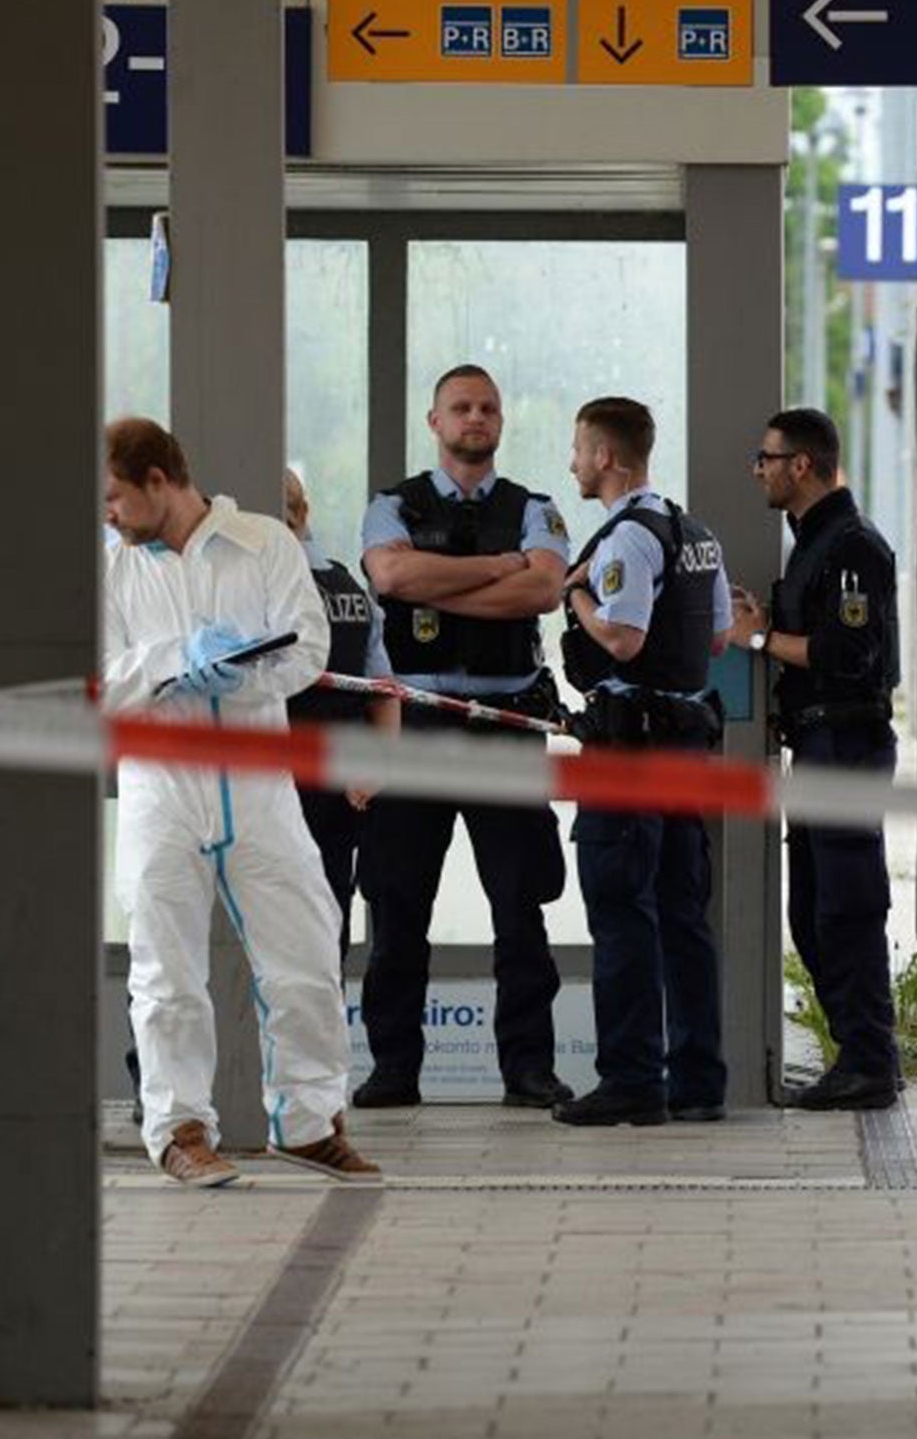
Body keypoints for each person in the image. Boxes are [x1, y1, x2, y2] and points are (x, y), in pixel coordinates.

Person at [102, 418, 380, 1188]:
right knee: (165, 970)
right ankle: (180, 1129)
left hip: (259, 781)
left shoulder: (265, 544)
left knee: (305, 954)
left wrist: (239, 674)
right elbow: (100, 679)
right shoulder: (111, 571)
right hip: (161, 785)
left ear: (160, 481)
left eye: (116, 498)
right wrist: (172, 665)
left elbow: (309, 651)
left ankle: (309, 1123)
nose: (109, 515)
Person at [354, 364, 573, 1110]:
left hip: (503, 726)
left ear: (500, 423)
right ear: (434, 421)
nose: (474, 418)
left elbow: (543, 589)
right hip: (414, 726)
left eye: (486, 408)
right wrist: (492, 570)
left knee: (519, 910)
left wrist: (441, 578)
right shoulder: (392, 506)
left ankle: (529, 1070)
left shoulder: (536, 509)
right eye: (460, 408)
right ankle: (392, 1070)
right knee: (397, 908)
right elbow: (389, 578)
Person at [555, 397, 732, 1127]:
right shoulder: (696, 535)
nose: (573, 463)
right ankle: (697, 1081)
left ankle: (631, 1079)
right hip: (686, 743)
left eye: (578, 450)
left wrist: (578, 596)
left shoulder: (624, 540)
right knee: (683, 913)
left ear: (606, 458)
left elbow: (622, 640)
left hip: (630, 750)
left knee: (623, 909)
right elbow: (718, 639)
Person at [727, 408, 901, 1112]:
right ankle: (856, 1056)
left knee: (847, 910)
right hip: (819, 743)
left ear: (801, 464)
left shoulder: (851, 546)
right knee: (812, 912)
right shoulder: (814, 542)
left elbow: (848, 657)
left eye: (765, 458)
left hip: (848, 744)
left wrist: (762, 640)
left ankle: (870, 1061)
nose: (758, 470)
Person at [282, 467, 401, 969]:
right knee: (326, 931)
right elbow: (384, 693)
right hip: (341, 786)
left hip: (278, 785)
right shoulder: (352, 589)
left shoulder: (271, 588)